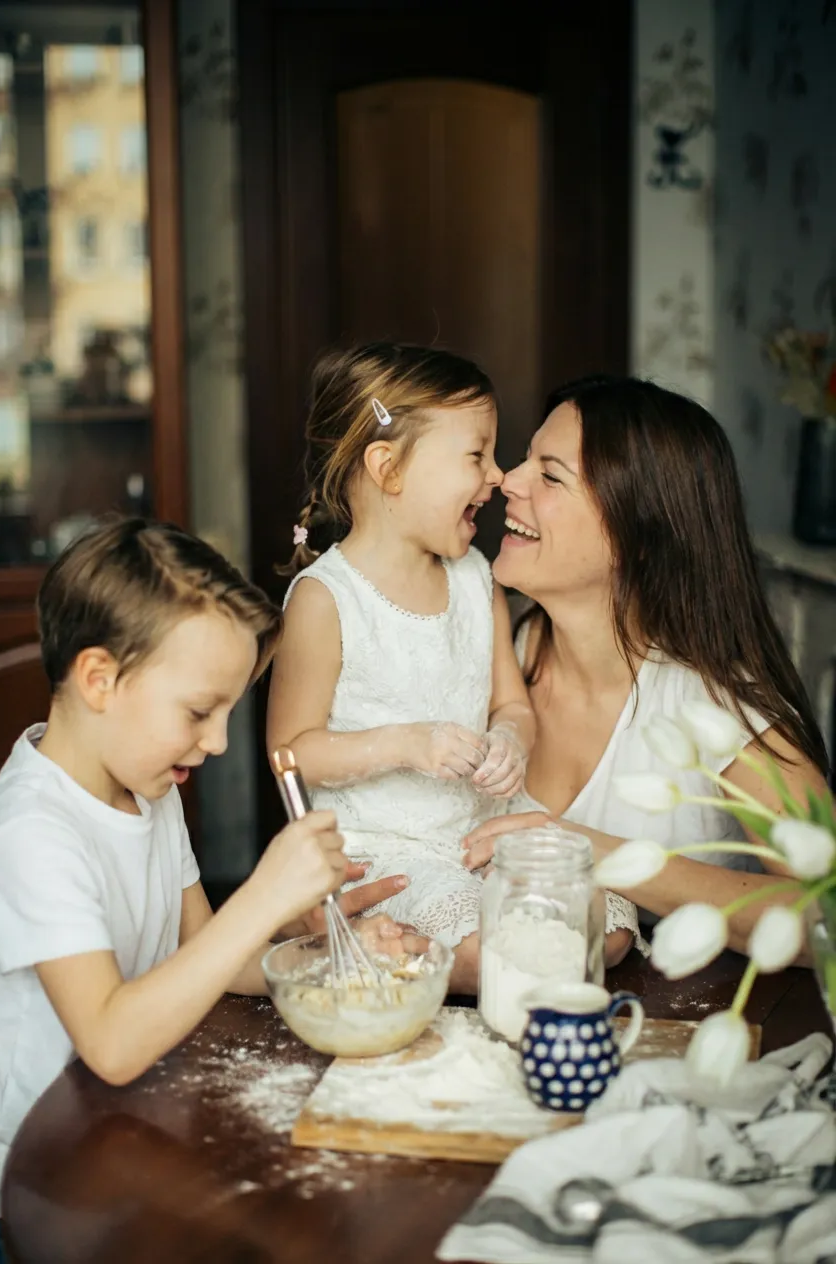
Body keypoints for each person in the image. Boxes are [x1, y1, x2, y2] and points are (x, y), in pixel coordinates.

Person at [0, 518, 420, 1256]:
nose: (218, 742)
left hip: (127, 1137)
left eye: (227, 713)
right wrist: (260, 897)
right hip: (36, 1187)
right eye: (198, 711)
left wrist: (312, 947)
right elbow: (113, 1042)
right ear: (100, 680)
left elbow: (211, 960)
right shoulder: (31, 831)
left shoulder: (145, 790)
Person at [267, 343, 641, 994]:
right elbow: (290, 753)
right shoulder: (328, 600)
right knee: (494, 950)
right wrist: (407, 743)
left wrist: (510, 741)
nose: (498, 477)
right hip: (388, 848)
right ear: (388, 470)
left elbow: (511, 705)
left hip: (482, 826)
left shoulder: (476, 580)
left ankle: (516, 981)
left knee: (607, 924)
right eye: (477, 455)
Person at [461, 374, 830, 956]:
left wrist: (599, 854)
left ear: (638, 533)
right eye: (526, 459)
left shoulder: (718, 707)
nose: (508, 480)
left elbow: (825, 914)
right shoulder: (483, 641)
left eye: (550, 474)